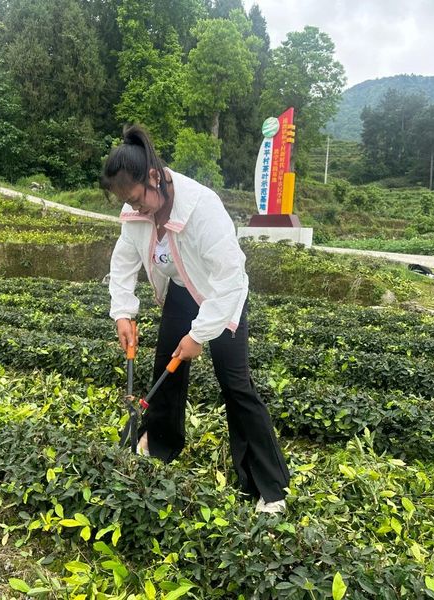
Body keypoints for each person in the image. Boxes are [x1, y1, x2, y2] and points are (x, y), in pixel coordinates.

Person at [102, 125, 290, 514]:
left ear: (154, 177)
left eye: (137, 200)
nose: (134, 209)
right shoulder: (136, 210)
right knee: (165, 372)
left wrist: (200, 335)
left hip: (223, 295)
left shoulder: (202, 207)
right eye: (127, 203)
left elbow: (229, 277)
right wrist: (123, 311)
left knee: (235, 384)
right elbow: (123, 261)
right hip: (182, 292)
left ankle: (268, 488)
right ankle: (158, 445)